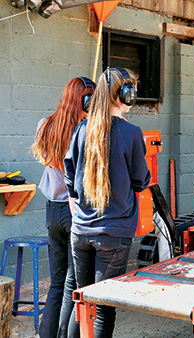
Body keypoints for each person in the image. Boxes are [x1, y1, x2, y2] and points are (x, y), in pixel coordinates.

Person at [64, 68, 151, 337]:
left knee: (83, 303)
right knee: (103, 309)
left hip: (81, 232)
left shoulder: (81, 129)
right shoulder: (132, 133)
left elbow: (70, 181)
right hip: (114, 235)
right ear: (125, 95)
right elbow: (141, 180)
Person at [32, 76, 95, 338]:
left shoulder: (44, 125)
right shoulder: (83, 131)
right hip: (75, 212)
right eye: (90, 98)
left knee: (58, 282)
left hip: (52, 213)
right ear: (83, 99)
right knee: (76, 284)